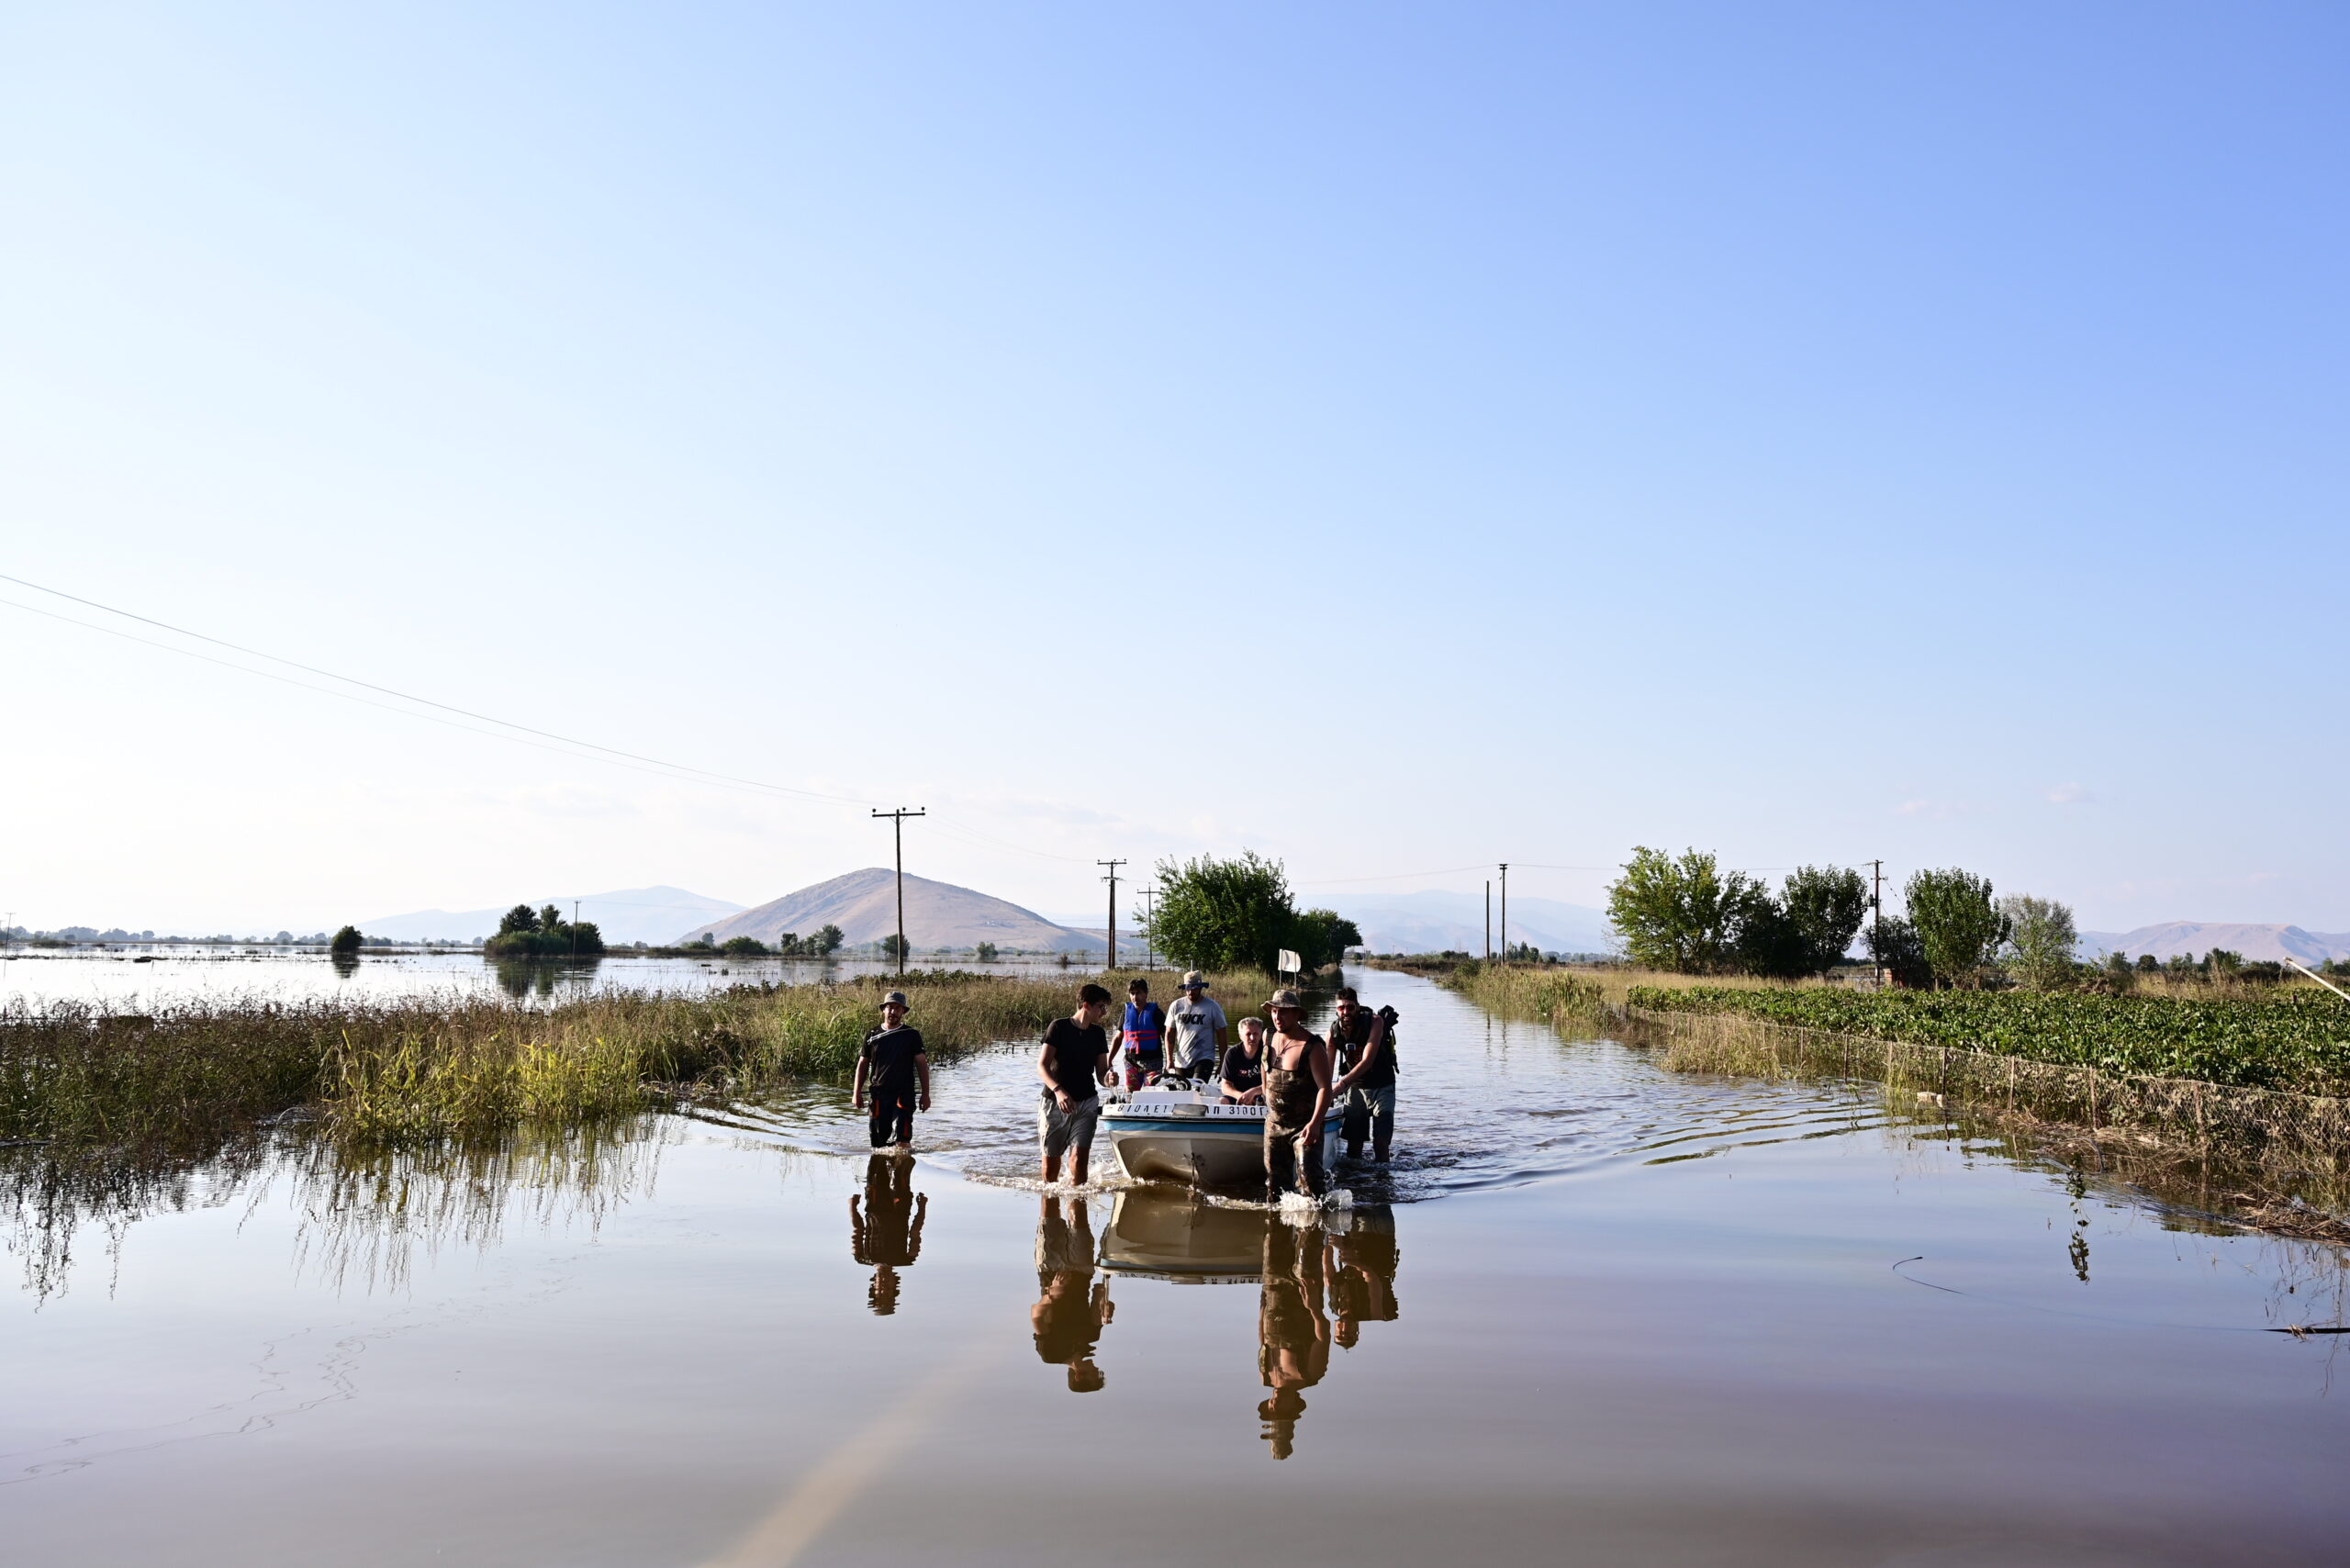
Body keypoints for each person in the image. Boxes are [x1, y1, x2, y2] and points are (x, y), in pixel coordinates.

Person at [1256, 1213, 1332, 1460]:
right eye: (1281, 1412)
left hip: (1274, 1290)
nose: (1275, 1405)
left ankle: (1290, 1191)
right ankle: (1315, 1205)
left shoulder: (1265, 1377)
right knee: (1309, 1235)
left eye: (1272, 1410)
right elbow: (1323, 1336)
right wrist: (1313, 1305)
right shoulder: (1311, 1375)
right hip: (1304, 1296)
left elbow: (1263, 1341)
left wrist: (1263, 1302)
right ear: (1294, 1408)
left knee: (1274, 1229)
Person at [1032, 1193, 1113, 1392]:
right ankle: (1074, 1183)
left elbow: (1036, 1317)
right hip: (1082, 1271)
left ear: (1079, 1375)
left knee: (1049, 1212)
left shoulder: (1050, 1354)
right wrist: (1106, 1305)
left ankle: (1052, 1182)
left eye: (1096, 1372)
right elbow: (1098, 1292)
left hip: (1050, 1271)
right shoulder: (1092, 1338)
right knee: (1079, 1215)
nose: (1097, 1367)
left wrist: (1052, 1294)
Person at [1037, 982, 1116, 1185]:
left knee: (1080, 1161)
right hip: (1056, 1103)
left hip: (1087, 1102)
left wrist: (1109, 1079)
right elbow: (1042, 1066)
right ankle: (1051, 1212)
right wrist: (1058, 1091)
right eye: (1101, 1006)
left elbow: (1101, 1073)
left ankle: (1078, 1211)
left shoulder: (1098, 1034)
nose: (1104, 1012)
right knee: (1051, 1170)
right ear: (1086, 1005)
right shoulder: (1059, 1027)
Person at [1261, 988, 1332, 1204]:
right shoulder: (1268, 1035)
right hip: (1275, 1125)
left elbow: (1325, 1089)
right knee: (1274, 1188)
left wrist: (1316, 1123)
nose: (1277, 1017)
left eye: (1283, 1012)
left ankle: (1317, 1228)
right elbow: (1264, 1068)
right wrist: (1266, 1095)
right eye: (1274, 1011)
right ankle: (1276, 1232)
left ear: (1297, 1014)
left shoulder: (1313, 1046)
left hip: (1304, 1127)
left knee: (1311, 1186)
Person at [848, 1152, 927, 1316]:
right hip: (899, 1205)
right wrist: (922, 1208)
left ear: (874, 1285)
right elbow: (915, 1232)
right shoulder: (908, 1258)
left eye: (880, 1290)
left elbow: (858, 1230)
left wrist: (852, 1207)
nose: (884, 1285)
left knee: (877, 1159)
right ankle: (902, 1141)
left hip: (874, 1203)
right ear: (894, 1285)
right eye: (888, 1290)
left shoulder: (861, 1257)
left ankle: (885, 1135)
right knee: (898, 1171)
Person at [852, 991, 931, 1151]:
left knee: (902, 1140)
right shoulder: (872, 1035)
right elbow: (863, 1064)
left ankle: (901, 1170)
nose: (893, 1012)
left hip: (904, 1093)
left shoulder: (911, 1035)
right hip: (879, 1094)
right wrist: (856, 1093)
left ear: (903, 1012)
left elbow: (922, 1064)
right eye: (890, 1008)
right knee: (878, 1146)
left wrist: (925, 1094)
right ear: (883, 1009)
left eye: (897, 1008)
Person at [1328, 987, 1399, 1162]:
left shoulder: (1375, 1022)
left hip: (1382, 1085)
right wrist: (1324, 1093)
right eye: (1341, 1008)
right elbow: (1326, 1068)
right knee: (1354, 1146)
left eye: (1350, 1007)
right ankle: (1357, 1184)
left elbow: (1367, 1061)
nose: (1346, 1012)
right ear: (1336, 1009)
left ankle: (1384, 1183)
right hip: (1356, 1089)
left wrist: (1340, 1086)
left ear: (1357, 1007)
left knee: (1381, 1144)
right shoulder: (1333, 1032)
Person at [1165, 970, 1229, 1082]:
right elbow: (1170, 1034)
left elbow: (1222, 1036)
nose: (1191, 992)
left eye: (1194, 988)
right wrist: (1169, 1060)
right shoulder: (1176, 1006)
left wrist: (1222, 1064)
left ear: (1200, 988)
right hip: (1181, 1060)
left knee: (1197, 1088)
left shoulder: (1212, 1007)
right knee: (1183, 1094)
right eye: (1188, 988)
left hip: (1204, 1058)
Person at [1119, 976, 1167, 1091]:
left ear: (1146, 994)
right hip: (1131, 1062)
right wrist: (1109, 1059)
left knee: (1151, 1095)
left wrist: (1170, 1061)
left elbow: (1167, 1037)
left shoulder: (1156, 1013)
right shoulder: (1126, 1012)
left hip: (1153, 1063)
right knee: (1130, 1095)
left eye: (1138, 993)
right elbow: (1118, 1037)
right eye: (1132, 993)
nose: (1135, 997)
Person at [1219, 1015, 1267, 1103]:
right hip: (1239, 1095)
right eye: (1248, 1034)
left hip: (1262, 1094)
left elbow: (1273, 1084)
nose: (1252, 1038)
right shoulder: (1232, 1053)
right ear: (1241, 1036)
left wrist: (1254, 1092)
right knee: (1223, 1101)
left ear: (1261, 1035)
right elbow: (1225, 1086)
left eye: (1255, 1034)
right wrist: (1242, 1096)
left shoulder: (1268, 1052)